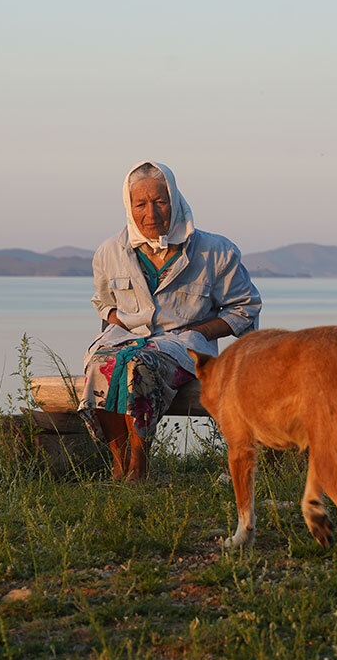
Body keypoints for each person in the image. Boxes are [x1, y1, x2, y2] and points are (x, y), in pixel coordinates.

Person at [78, 161, 262, 481]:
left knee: (140, 366)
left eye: (160, 201)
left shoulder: (214, 251)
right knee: (99, 365)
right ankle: (119, 464)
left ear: (175, 200)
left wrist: (201, 330)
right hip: (124, 340)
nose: (151, 213)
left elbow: (245, 308)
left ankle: (139, 464)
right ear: (129, 206)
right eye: (141, 204)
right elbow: (103, 302)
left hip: (183, 349)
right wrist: (115, 320)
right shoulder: (110, 252)